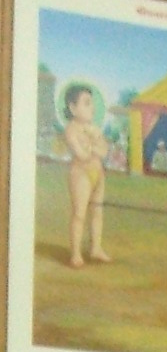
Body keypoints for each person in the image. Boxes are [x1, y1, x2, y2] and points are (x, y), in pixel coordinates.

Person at [60, 83, 110, 268]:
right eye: (87, 103)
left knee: (97, 212)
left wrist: (94, 144)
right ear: (73, 108)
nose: (92, 108)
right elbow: (82, 154)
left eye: (92, 103)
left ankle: (96, 248)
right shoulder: (71, 129)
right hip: (80, 174)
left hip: (98, 173)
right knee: (79, 214)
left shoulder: (93, 128)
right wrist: (93, 145)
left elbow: (104, 151)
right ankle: (75, 253)